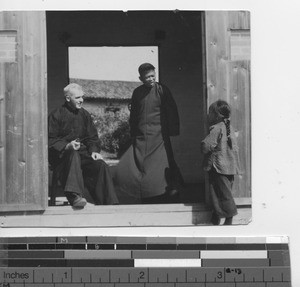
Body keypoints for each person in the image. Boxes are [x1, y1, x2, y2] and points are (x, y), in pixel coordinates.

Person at [113, 63, 183, 204]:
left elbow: (172, 110)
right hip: (142, 135)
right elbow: (134, 115)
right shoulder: (137, 92)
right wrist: (133, 133)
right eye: (147, 77)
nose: (151, 79)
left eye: (153, 76)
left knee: (164, 163)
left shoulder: (162, 90)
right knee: (141, 165)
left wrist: (172, 131)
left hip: (159, 135)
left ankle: (171, 189)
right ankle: (146, 192)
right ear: (140, 78)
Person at [48, 83, 119, 208]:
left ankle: (108, 203)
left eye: (82, 97)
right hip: (62, 157)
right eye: (78, 98)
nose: (81, 100)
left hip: (82, 155)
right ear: (68, 98)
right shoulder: (56, 115)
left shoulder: (84, 114)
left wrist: (94, 151)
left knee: (100, 165)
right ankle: (75, 196)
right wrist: (67, 146)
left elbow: (92, 137)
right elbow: (50, 140)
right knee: (73, 154)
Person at [201, 100, 241, 225]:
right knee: (221, 192)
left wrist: (203, 147)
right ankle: (216, 216)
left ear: (215, 115)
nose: (208, 116)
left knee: (222, 194)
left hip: (218, 166)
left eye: (210, 113)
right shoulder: (229, 128)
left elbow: (206, 145)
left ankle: (229, 218)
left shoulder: (216, 128)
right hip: (229, 166)